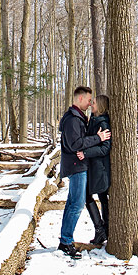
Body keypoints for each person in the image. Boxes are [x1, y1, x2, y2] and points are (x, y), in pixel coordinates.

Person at [58, 86, 110, 258]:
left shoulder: (78, 117)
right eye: (89, 100)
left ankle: (65, 240)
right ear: (80, 98)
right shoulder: (73, 119)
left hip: (78, 165)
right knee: (77, 204)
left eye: (92, 102)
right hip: (77, 166)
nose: (90, 103)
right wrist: (98, 138)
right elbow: (75, 144)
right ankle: (66, 242)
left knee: (73, 203)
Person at [81, 94, 111, 246]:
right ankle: (102, 229)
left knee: (99, 197)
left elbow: (105, 148)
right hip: (93, 167)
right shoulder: (94, 121)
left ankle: (102, 229)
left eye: (94, 103)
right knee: (95, 197)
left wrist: (86, 152)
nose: (91, 105)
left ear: (101, 106)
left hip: (100, 168)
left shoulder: (103, 123)